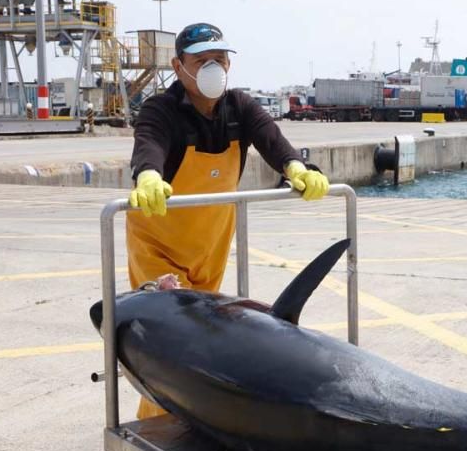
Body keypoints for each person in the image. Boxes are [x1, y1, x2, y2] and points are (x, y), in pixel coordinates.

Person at [126, 22, 329, 418]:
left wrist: (297, 167)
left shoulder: (240, 107)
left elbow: (271, 139)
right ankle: (158, 427)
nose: (212, 68)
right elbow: (149, 141)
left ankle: (196, 416)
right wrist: (147, 174)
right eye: (201, 60)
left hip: (211, 243)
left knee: (204, 339)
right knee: (168, 341)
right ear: (178, 65)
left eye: (219, 59)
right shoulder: (161, 110)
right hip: (159, 246)